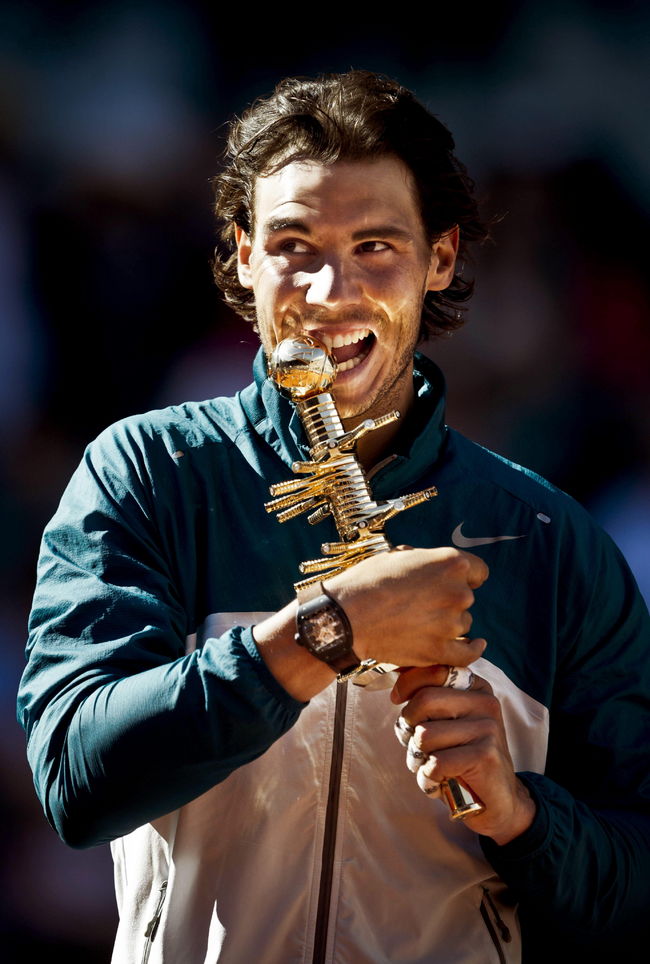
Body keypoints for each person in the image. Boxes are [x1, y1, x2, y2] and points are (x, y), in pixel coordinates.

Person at [18, 71, 650, 963]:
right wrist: (319, 636)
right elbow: (75, 779)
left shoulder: (549, 539)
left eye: (375, 245)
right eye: (293, 244)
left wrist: (521, 814)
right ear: (244, 257)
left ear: (440, 258)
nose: (327, 290)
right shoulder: (148, 476)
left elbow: (636, 883)